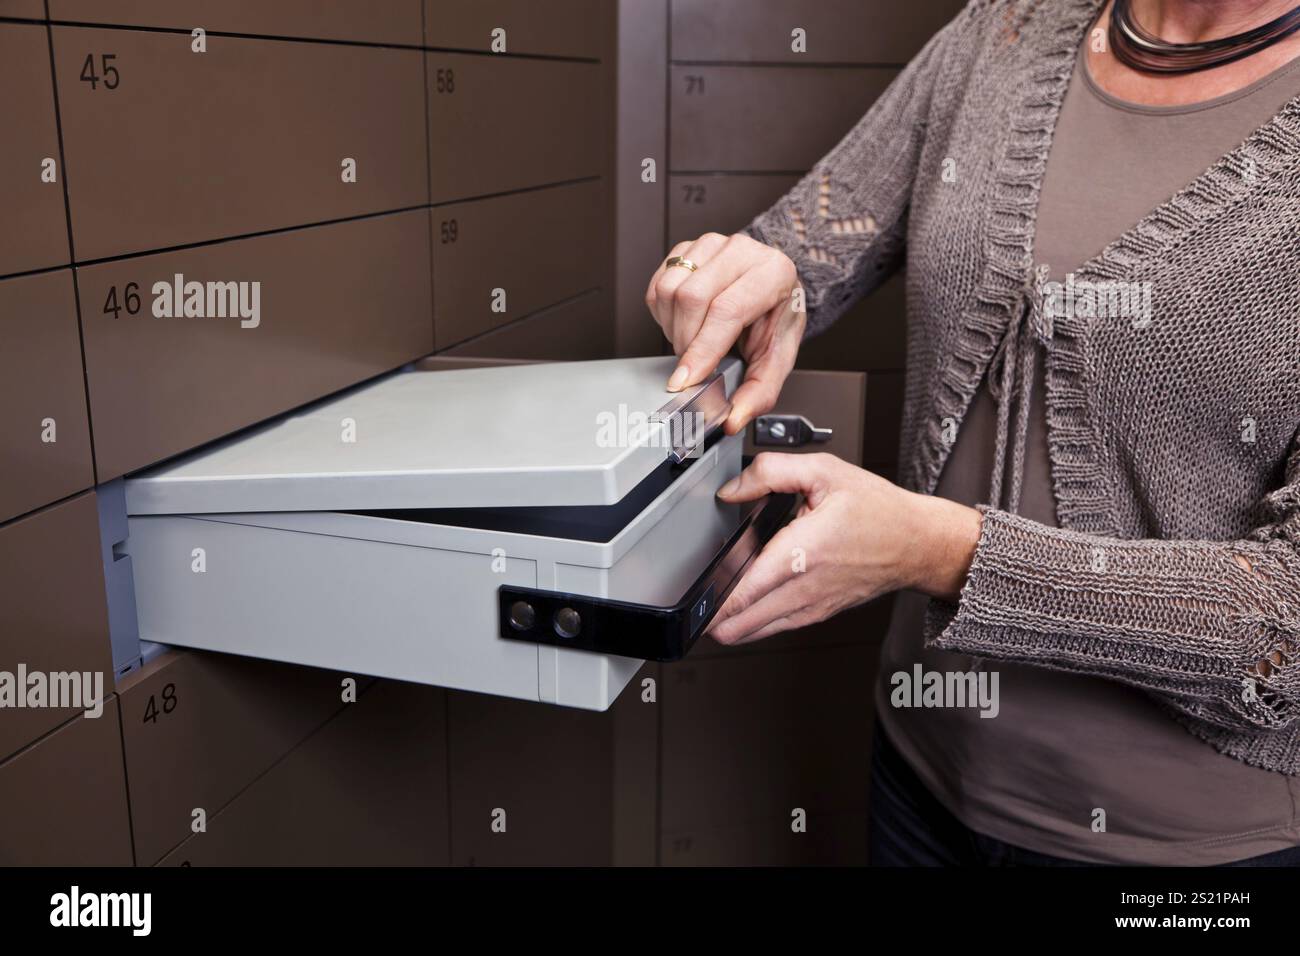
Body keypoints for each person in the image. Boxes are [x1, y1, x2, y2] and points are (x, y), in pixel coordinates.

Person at [644, 0, 1300, 866]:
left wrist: (937, 551)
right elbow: (806, 246)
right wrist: (737, 277)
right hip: (922, 775)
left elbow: (1286, 623)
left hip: (1178, 847)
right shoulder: (1008, 31)